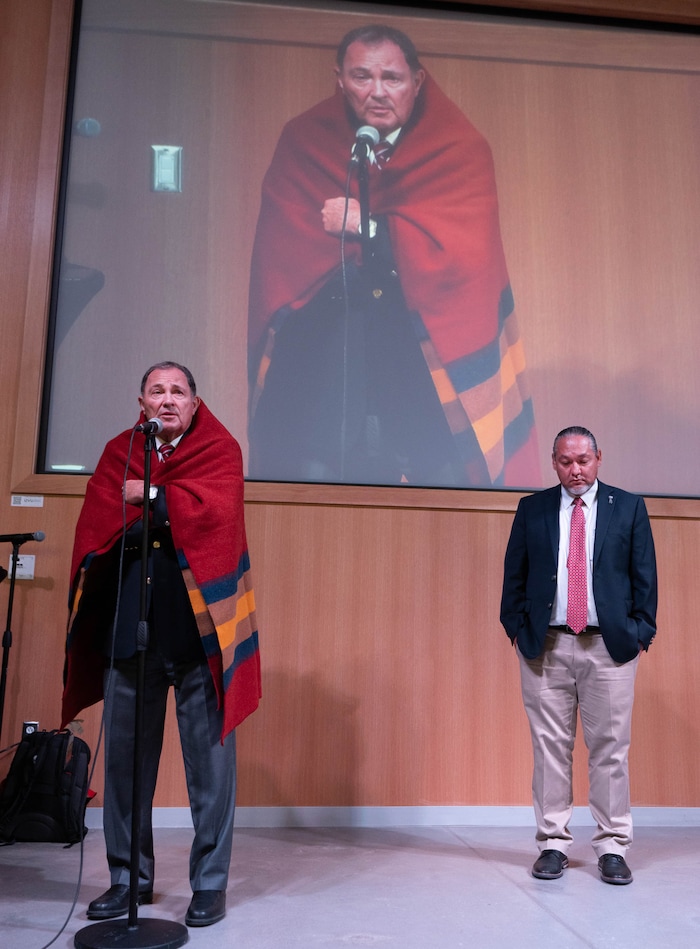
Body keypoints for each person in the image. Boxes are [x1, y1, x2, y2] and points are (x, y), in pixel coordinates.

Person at [248, 24, 539, 488]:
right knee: (312, 478)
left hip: (421, 362)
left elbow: (462, 261)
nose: (377, 92)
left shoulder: (458, 148)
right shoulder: (305, 140)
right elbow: (285, 254)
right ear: (339, 79)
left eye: (393, 78)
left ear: (418, 81)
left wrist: (371, 228)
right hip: (330, 357)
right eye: (361, 77)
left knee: (445, 486)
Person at [61, 361, 261, 927]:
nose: (168, 399)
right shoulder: (118, 451)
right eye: (157, 391)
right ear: (142, 402)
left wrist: (149, 497)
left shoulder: (220, 449)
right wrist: (150, 502)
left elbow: (216, 513)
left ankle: (209, 886)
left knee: (210, 773)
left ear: (195, 403)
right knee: (126, 768)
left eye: (179, 391)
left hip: (200, 635)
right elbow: (98, 521)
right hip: (132, 634)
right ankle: (128, 879)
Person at [500, 426, 657, 885]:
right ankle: (552, 843)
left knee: (610, 750)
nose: (575, 470)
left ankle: (612, 846)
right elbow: (515, 574)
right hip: (545, 647)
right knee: (550, 748)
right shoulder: (533, 509)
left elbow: (644, 575)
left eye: (583, 460)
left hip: (608, 647)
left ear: (598, 459)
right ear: (554, 462)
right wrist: (516, 627)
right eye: (566, 461)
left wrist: (639, 632)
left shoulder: (627, 507)